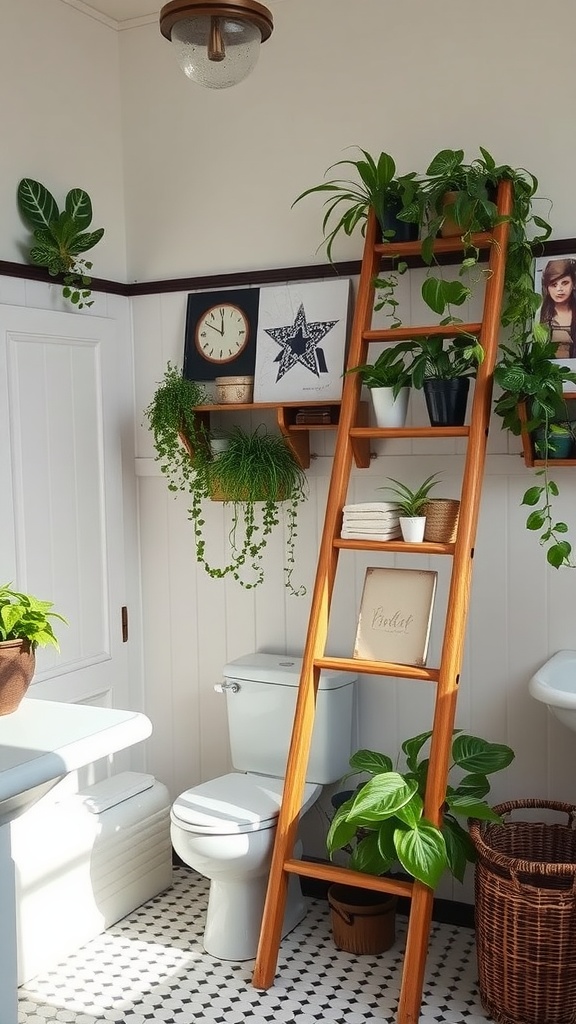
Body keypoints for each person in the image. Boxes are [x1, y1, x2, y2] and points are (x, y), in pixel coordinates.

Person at [539, 258, 576, 358]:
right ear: (547, 287)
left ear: (573, 284)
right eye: (554, 284)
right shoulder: (540, 313)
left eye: (565, 283)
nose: (559, 289)